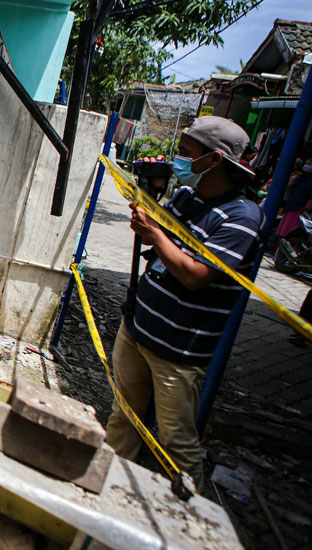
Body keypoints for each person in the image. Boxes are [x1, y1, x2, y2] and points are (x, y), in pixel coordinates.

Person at [107, 116, 262, 493]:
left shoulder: (243, 217)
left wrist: (156, 233)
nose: (179, 159)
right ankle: (105, 488)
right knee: (123, 417)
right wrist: (147, 209)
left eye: (186, 153)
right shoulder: (187, 197)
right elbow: (157, 249)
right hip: (138, 327)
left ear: (214, 160)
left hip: (179, 349)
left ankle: (191, 516)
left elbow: (195, 274)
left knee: (176, 441)